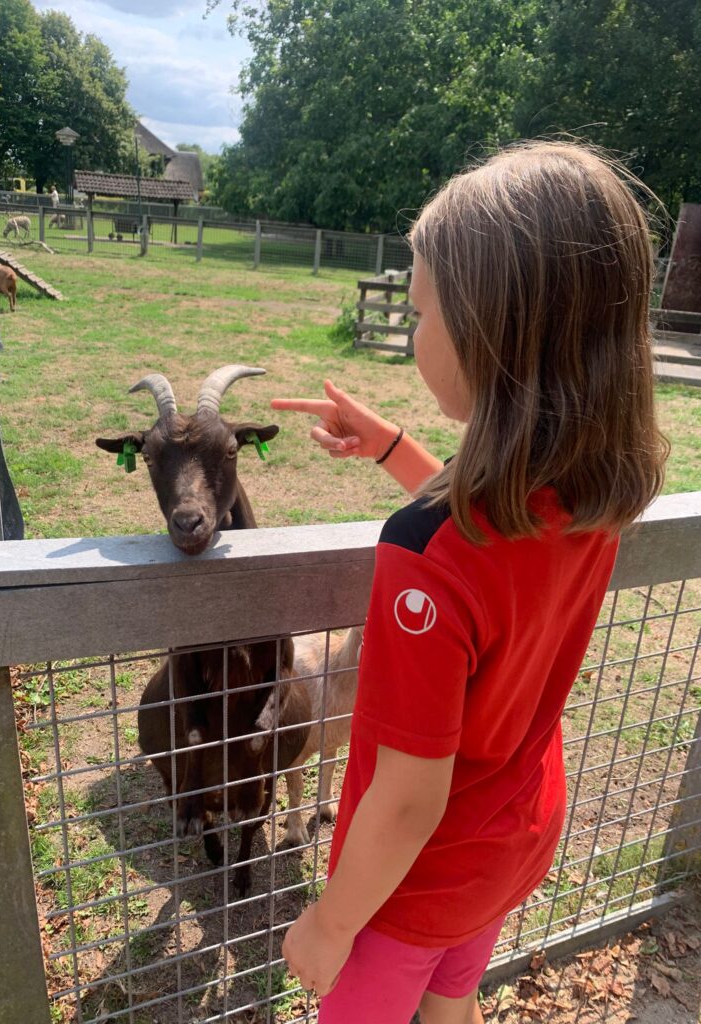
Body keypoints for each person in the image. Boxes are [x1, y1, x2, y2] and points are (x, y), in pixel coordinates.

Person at [272, 141, 668, 1024]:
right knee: (452, 1009)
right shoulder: (590, 491)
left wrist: (332, 923)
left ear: (490, 332)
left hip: (411, 884)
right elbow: (492, 550)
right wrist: (391, 449)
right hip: (514, 838)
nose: (411, 333)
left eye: (420, 312)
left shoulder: (423, 553)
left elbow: (410, 798)